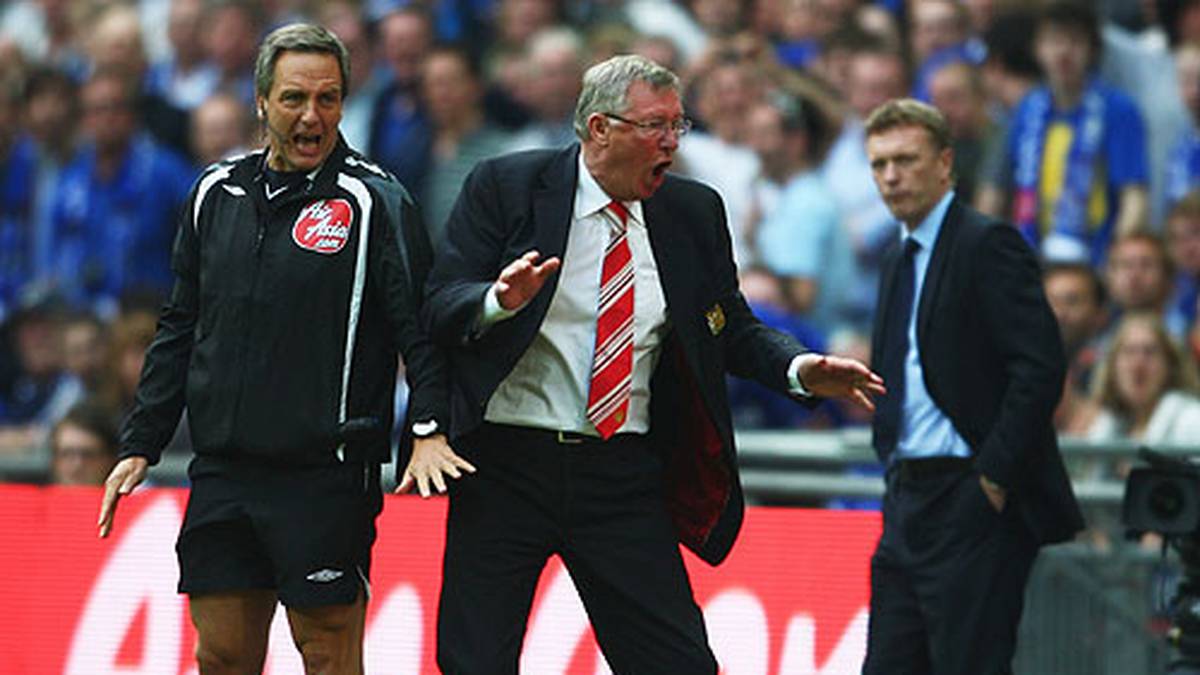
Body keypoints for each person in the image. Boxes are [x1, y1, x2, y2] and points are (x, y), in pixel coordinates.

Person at [419, 54, 883, 673]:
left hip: (620, 472)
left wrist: (797, 368)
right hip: (507, 465)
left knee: (680, 665)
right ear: (598, 129)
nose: (671, 142)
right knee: (474, 662)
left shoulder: (691, 212)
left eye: (677, 125)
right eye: (653, 126)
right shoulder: (507, 187)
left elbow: (731, 326)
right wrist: (498, 302)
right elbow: (439, 305)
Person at [96, 24, 459, 674]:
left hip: (324, 473)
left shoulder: (375, 200)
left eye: (328, 98)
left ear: (344, 103)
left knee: (326, 651)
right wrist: (141, 439)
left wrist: (428, 425)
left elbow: (421, 327)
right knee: (223, 652)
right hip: (225, 467)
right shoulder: (216, 193)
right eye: (294, 98)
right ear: (261, 101)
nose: (311, 115)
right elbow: (180, 323)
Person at [862, 98, 1084, 674]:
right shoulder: (896, 257)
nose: (891, 176)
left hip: (969, 495)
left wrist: (993, 478)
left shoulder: (987, 243)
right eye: (880, 164)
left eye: (905, 160)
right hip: (907, 497)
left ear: (944, 164)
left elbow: (1039, 365)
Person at [1085, 312, 1200, 446]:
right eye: (1129, 352)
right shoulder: (1105, 428)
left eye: (1150, 352)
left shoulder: (1193, 421)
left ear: (1171, 366)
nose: (1138, 365)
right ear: (1112, 367)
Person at [49, 401, 118, 486]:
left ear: (110, 460)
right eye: (67, 454)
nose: (76, 465)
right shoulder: (34, 498)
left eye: (87, 455)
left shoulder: (130, 498)